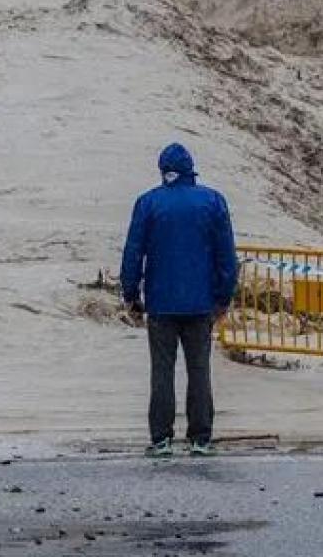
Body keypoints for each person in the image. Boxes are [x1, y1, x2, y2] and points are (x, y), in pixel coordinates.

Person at [120, 142, 238, 458]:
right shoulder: (213, 201)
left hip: (160, 302)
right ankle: (201, 438)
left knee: (162, 371)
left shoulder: (148, 203)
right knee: (199, 370)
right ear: (190, 169)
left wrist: (130, 294)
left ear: (162, 171)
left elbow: (134, 252)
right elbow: (226, 255)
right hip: (201, 303)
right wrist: (224, 296)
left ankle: (161, 438)